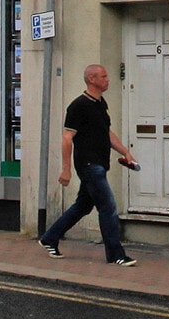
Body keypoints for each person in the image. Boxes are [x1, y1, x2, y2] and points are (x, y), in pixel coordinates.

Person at [39, 63, 138, 265]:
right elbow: (67, 137)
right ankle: (116, 254)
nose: (107, 80)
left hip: (101, 163)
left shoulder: (101, 103)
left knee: (83, 206)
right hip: (88, 164)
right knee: (108, 207)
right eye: (103, 76)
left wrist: (126, 152)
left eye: (107, 76)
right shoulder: (78, 106)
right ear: (92, 79)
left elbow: (107, 133)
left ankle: (50, 237)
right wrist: (66, 170)